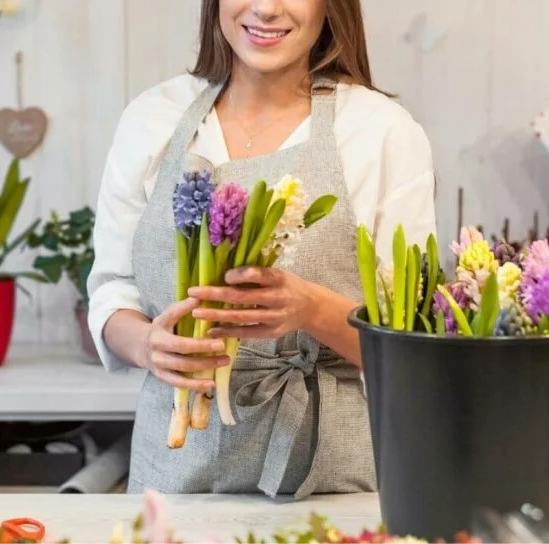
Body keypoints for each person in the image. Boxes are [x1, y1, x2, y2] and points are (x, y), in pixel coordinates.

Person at [87, 0, 436, 498]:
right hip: (175, 477)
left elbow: (414, 346)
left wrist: (311, 309)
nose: (267, 8)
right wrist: (148, 345)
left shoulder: (381, 132)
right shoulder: (152, 119)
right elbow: (111, 292)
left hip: (334, 482)